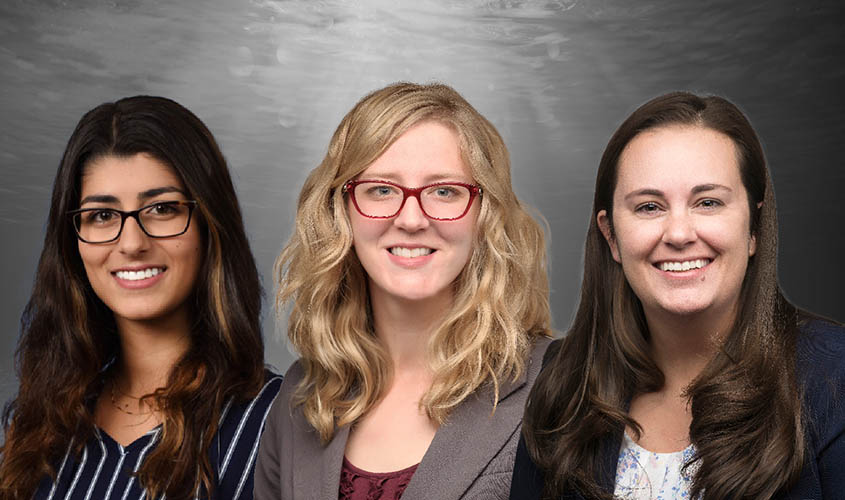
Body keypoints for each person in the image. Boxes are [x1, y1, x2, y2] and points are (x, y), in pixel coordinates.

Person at [511, 92, 845, 499]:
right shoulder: (561, 384)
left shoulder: (835, 379)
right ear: (611, 235)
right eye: (649, 207)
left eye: (708, 202)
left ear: (754, 228)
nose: (680, 234)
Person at [255, 82, 552, 499]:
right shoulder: (301, 395)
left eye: (444, 191)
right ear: (341, 211)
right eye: (381, 190)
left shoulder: (557, 385)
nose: (411, 219)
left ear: (485, 214)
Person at [0, 96, 282, 500]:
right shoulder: (44, 423)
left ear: (209, 225)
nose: (131, 243)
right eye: (102, 215)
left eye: (162, 209)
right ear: (72, 242)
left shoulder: (275, 422)